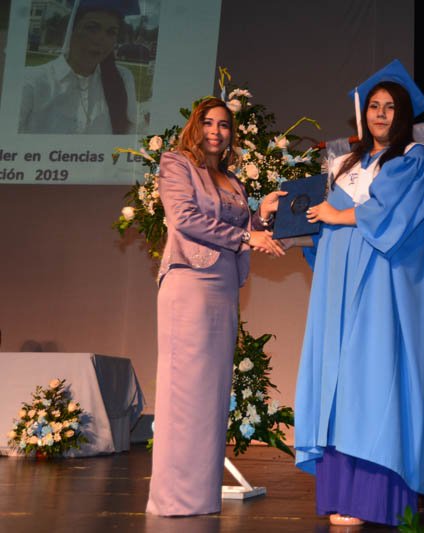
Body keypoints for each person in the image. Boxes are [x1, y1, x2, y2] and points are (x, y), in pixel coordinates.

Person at [289, 59, 424, 527]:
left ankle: (372, 499)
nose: (379, 114)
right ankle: (341, 493)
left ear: (403, 114)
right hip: (336, 292)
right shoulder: (348, 165)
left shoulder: (413, 158)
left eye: (389, 107)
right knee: (338, 387)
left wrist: (337, 216)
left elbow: (389, 213)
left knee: (371, 384)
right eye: (373, 106)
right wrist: (287, 222)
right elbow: (321, 223)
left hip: (380, 291)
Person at [146, 97, 285, 516]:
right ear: (195, 125)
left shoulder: (232, 181)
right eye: (208, 122)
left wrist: (261, 217)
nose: (216, 131)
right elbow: (185, 218)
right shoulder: (176, 164)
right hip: (189, 282)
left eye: (224, 125)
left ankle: (200, 497)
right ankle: (173, 499)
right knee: (184, 390)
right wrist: (246, 236)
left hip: (224, 287)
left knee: (211, 394)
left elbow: (244, 231)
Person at [18, 0, 141, 134]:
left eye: (111, 32)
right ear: (70, 30)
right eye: (92, 28)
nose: (101, 39)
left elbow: (133, 132)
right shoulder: (31, 82)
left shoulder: (122, 78)